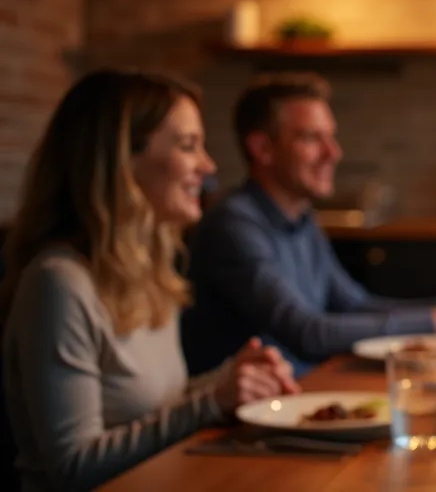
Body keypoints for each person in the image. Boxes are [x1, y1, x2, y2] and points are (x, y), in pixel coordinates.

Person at [0, 70, 298, 491]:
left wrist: (230, 380)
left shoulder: (147, 272)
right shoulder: (58, 285)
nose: (209, 166)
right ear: (121, 160)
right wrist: (211, 402)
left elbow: (150, 407)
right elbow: (71, 467)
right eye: (188, 145)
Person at [181, 73, 436, 377]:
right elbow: (308, 333)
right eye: (312, 138)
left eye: (330, 137)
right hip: (242, 421)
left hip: (304, 394)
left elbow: (354, 306)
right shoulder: (233, 224)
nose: (333, 153)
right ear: (263, 149)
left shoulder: (302, 219)